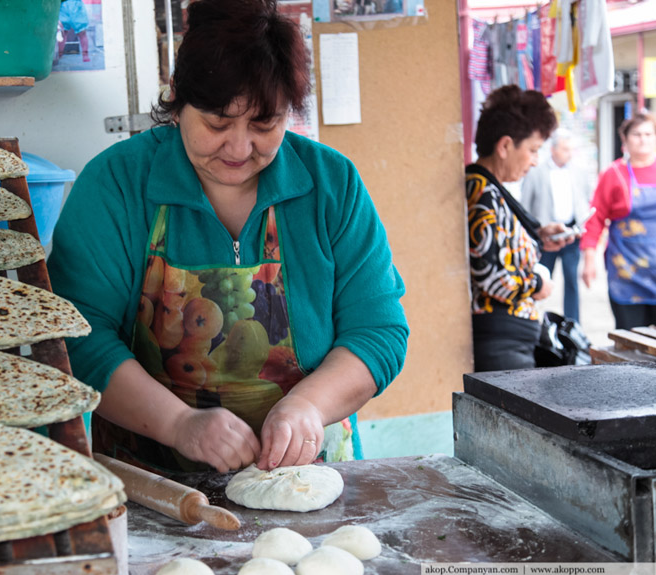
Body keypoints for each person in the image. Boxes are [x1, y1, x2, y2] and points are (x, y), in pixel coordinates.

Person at [48, 0, 408, 474]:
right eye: (217, 123)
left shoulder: (331, 185)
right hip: (155, 484)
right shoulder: (117, 185)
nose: (239, 149)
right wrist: (178, 423)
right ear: (178, 99)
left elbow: (378, 330)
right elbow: (77, 336)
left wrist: (308, 407)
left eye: (265, 125)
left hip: (306, 474)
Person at [466, 85, 575, 372]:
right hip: (502, 344)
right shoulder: (481, 192)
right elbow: (490, 275)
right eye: (533, 150)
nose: (536, 160)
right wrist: (539, 285)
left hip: (510, 340)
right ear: (504, 146)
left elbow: (497, 245)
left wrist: (538, 236)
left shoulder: (490, 188)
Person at [581, 113, 656, 329]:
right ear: (625, 138)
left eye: (648, 134)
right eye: (637, 134)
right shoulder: (613, 174)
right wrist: (589, 260)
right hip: (627, 274)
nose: (643, 139)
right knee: (631, 343)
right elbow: (595, 218)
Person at [520, 129, 591, 322]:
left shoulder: (578, 172)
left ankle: (572, 323)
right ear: (553, 150)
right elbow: (525, 204)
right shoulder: (536, 172)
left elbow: (585, 198)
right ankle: (535, 319)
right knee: (540, 278)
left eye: (571, 149)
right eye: (565, 149)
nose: (569, 153)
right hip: (545, 235)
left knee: (571, 281)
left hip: (570, 233)